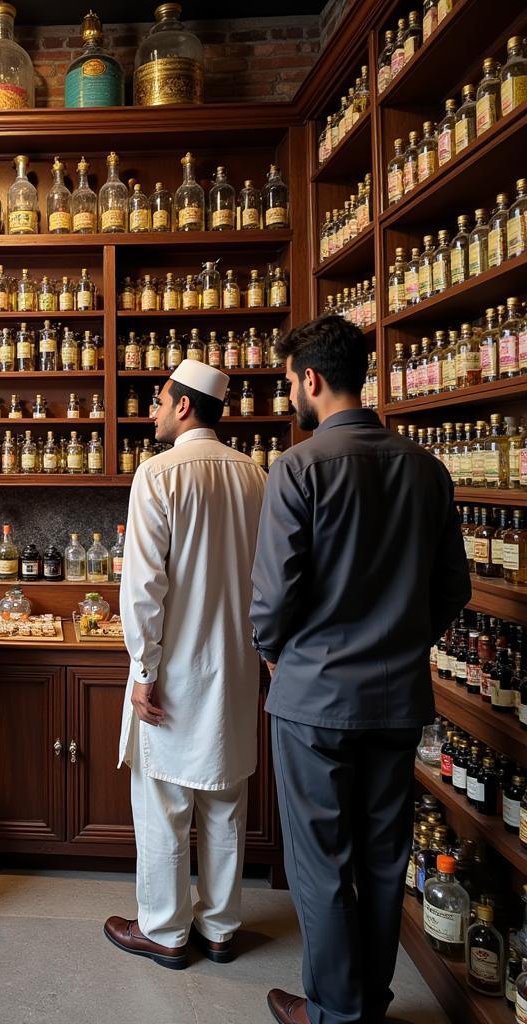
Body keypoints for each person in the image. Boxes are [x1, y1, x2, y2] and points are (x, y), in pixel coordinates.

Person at [250, 317, 471, 1024]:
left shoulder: (299, 467)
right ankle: (362, 1004)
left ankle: (334, 1013)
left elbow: (273, 598)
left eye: (289, 383)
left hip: (313, 699)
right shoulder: (426, 468)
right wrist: (405, 640)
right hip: (397, 698)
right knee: (383, 861)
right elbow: (452, 589)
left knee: (321, 864)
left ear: (310, 380)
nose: (291, 394)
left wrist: (276, 648)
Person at [104, 359, 267, 970]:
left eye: (158, 399)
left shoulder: (158, 473)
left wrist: (143, 670)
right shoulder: (254, 473)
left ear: (183, 406)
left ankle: (166, 931)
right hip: (235, 663)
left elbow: (143, 585)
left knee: (164, 805)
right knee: (226, 799)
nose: (151, 410)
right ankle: (220, 928)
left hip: (173, 668)